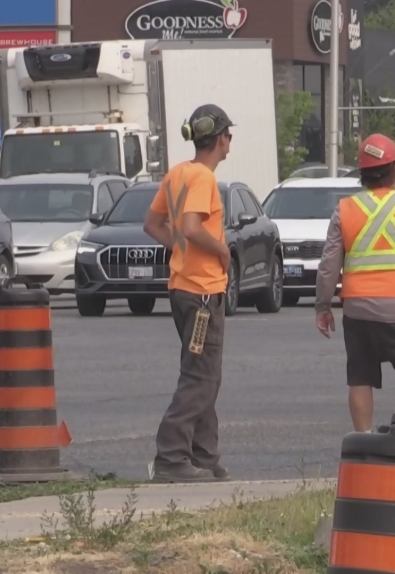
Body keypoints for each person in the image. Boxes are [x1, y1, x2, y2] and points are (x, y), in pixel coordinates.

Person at [315, 134, 395, 432]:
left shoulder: (344, 210)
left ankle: (364, 438)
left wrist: (323, 306)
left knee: (360, 376)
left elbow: (328, 265)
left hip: (358, 312)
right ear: (394, 168)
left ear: (362, 172)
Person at [142, 104, 234, 483]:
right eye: (229, 136)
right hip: (202, 293)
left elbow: (152, 224)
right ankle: (171, 455)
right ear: (221, 138)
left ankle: (204, 455)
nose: (230, 143)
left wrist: (178, 248)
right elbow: (194, 227)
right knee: (200, 377)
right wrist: (223, 251)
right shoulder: (203, 179)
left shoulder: (178, 173)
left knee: (205, 373)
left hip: (183, 287)